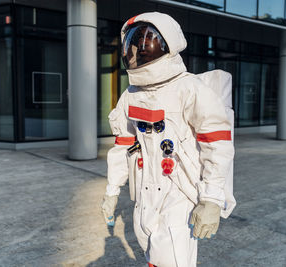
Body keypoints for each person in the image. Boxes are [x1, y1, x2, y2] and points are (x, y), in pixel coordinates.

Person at [100, 12, 235, 267]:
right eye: (133, 45)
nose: (137, 52)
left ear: (168, 44)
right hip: (146, 189)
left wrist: (212, 199)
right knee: (148, 243)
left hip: (180, 188)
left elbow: (217, 146)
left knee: (170, 256)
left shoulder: (189, 89)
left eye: (145, 44)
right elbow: (123, 145)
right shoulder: (131, 95)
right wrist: (112, 189)